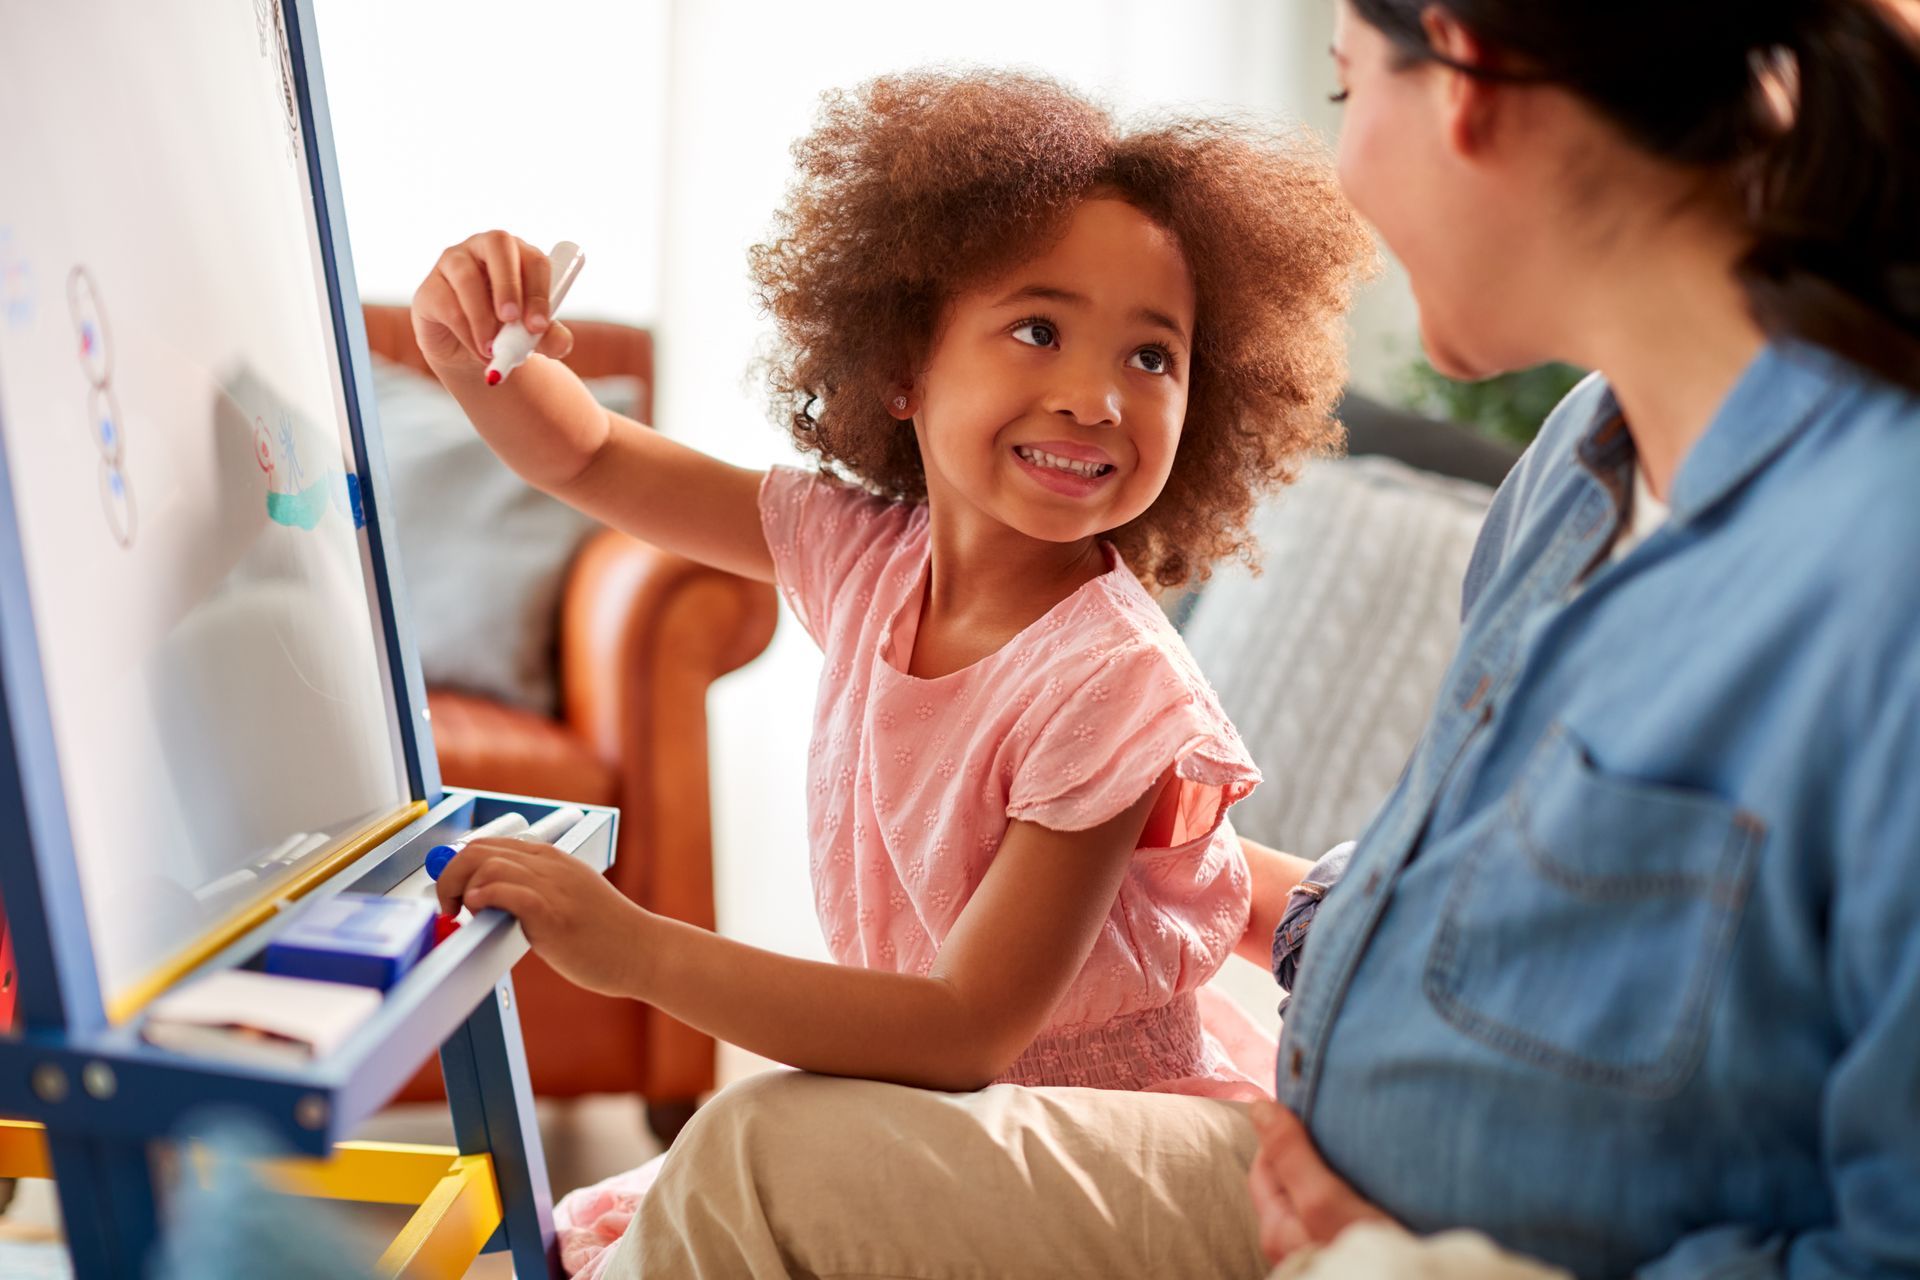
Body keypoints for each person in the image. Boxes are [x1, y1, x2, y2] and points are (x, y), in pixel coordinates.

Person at [571, 1, 1920, 1276]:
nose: (1345, 168)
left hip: (1380, 1235)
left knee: (756, 1162)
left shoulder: (1876, 585)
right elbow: (1515, 908)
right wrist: (1230, 889)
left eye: (1343, 85)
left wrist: (1410, 1264)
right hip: (1305, 1157)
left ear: (1458, 81)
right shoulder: (1577, 475)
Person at [408, 72, 1373, 1278]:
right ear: (904, 365)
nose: (1095, 396)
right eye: (1039, 329)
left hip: (1082, 1137)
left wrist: (636, 948)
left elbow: (967, 1028)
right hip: (941, 1107)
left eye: (1153, 355)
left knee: (732, 1168)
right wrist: (474, 351)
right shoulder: (864, 552)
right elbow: (593, 451)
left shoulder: (1116, 684)